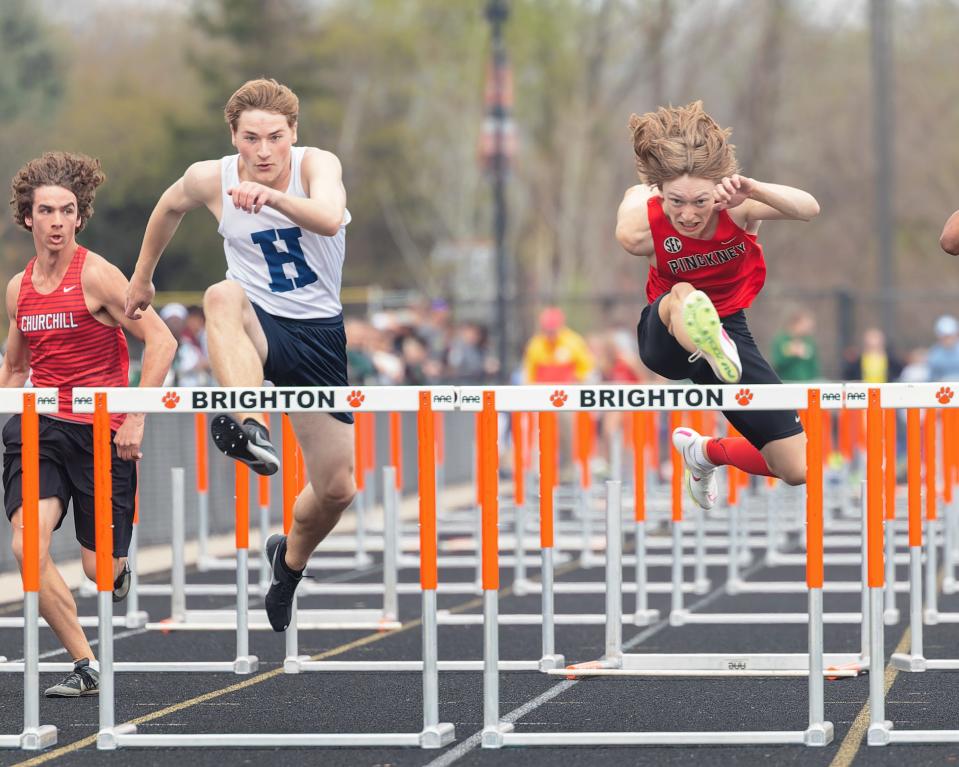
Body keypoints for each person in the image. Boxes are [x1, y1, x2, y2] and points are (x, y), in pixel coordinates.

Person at [124, 78, 355, 632]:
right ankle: (248, 423)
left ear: (293, 134)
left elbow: (328, 216)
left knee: (337, 488)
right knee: (221, 295)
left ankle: (289, 561)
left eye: (276, 137)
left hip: (318, 333)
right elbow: (167, 206)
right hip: (254, 326)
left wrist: (273, 197)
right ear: (234, 137)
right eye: (251, 138)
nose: (264, 151)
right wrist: (142, 278)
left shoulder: (317, 164)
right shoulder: (212, 177)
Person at [2, 151, 176, 696]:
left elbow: (163, 342)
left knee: (101, 572)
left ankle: (117, 568)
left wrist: (135, 419)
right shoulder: (18, 288)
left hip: (101, 430)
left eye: (68, 211)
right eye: (47, 211)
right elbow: (15, 366)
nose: (57, 221)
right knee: (25, 544)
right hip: (42, 427)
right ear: (28, 217)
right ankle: (85, 663)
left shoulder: (97, 276)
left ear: (81, 217)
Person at [615, 101, 820, 510]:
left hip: (731, 333)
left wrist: (755, 188)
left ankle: (704, 453)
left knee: (798, 468)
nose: (687, 215)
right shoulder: (645, 219)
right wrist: (644, 192)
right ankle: (706, 341)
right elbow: (628, 225)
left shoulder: (739, 206)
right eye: (677, 202)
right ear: (661, 193)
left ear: (718, 192)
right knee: (684, 293)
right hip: (666, 335)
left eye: (699, 203)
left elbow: (809, 209)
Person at [522, 307, 593, 383]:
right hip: (543, 390)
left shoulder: (573, 342)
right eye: (547, 330)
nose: (550, 334)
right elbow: (529, 375)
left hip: (568, 389)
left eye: (553, 330)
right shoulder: (535, 346)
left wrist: (576, 379)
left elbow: (586, 368)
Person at [770, 309, 820, 382]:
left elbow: (814, 365)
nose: (808, 328)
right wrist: (793, 354)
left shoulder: (809, 341)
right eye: (805, 325)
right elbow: (777, 363)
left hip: (808, 383)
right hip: (787, 383)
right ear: (795, 324)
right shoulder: (782, 340)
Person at [927, 315, 959, 381]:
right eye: (945, 336)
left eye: (950, 336)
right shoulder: (934, 354)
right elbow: (931, 378)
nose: (948, 339)